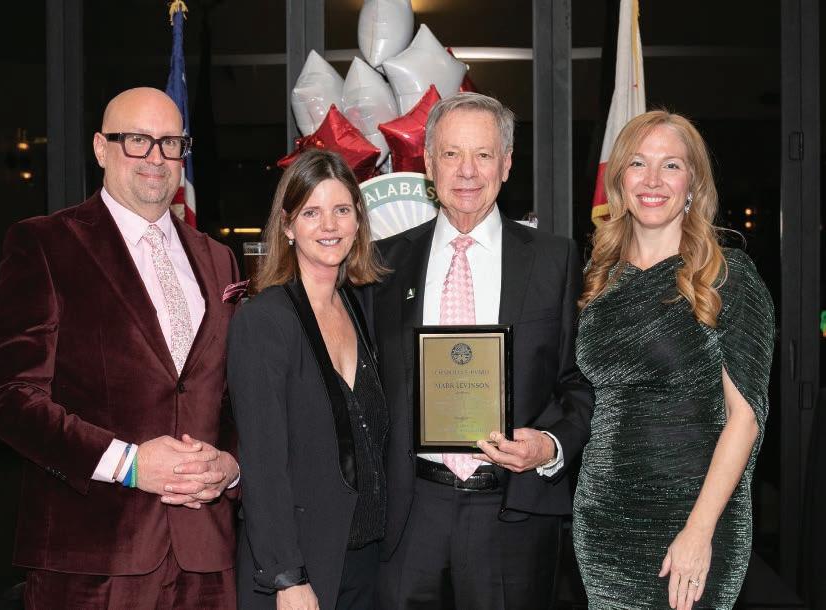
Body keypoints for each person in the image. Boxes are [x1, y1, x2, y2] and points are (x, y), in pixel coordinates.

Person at [0, 87, 241, 609]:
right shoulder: (45, 245)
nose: (156, 158)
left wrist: (230, 466)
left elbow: (233, 395)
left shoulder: (219, 259)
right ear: (101, 148)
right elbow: (9, 398)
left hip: (206, 561)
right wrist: (129, 464)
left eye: (171, 143)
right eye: (137, 140)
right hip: (92, 559)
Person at [366, 92, 593, 610]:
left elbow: (580, 382)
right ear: (429, 164)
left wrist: (550, 446)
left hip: (512, 514)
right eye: (451, 154)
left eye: (483, 154)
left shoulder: (554, 260)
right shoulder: (384, 265)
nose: (467, 171)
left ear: (506, 164)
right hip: (410, 514)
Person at [572, 110, 775, 610]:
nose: (653, 180)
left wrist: (698, 531)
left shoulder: (726, 276)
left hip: (695, 516)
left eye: (671, 165)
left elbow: (745, 419)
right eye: (638, 163)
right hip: (603, 519)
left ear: (692, 184)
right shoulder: (600, 276)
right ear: (620, 180)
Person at [227, 148, 389, 610]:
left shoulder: (360, 308)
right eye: (311, 213)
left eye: (341, 210)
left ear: (358, 220)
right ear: (287, 225)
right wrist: (287, 577)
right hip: (301, 570)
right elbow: (263, 464)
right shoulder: (263, 321)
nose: (329, 225)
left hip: (366, 563)